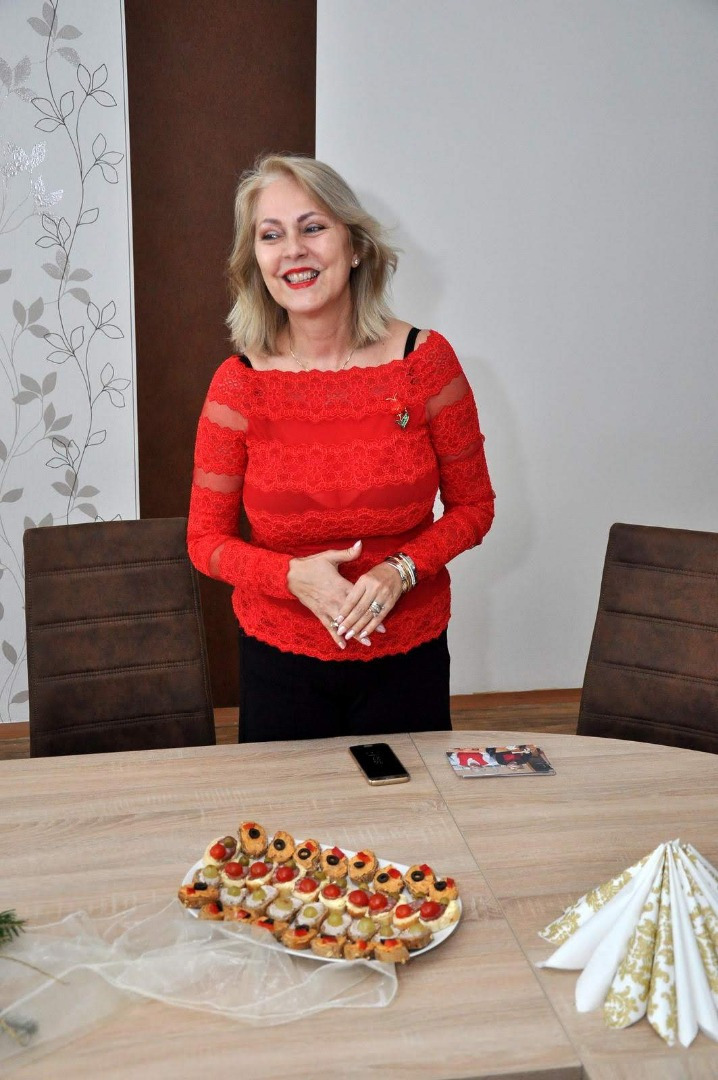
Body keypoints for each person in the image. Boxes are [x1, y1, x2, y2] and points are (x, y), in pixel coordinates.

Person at [187, 154, 494, 742]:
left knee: (409, 801)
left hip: (407, 657)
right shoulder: (238, 384)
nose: (293, 250)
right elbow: (205, 541)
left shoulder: (425, 363)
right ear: (256, 261)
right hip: (279, 662)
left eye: (313, 227)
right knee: (291, 806)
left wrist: (400, 570)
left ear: (354, 246)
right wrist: (291, 576)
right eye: (271, 235)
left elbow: (474, 508)